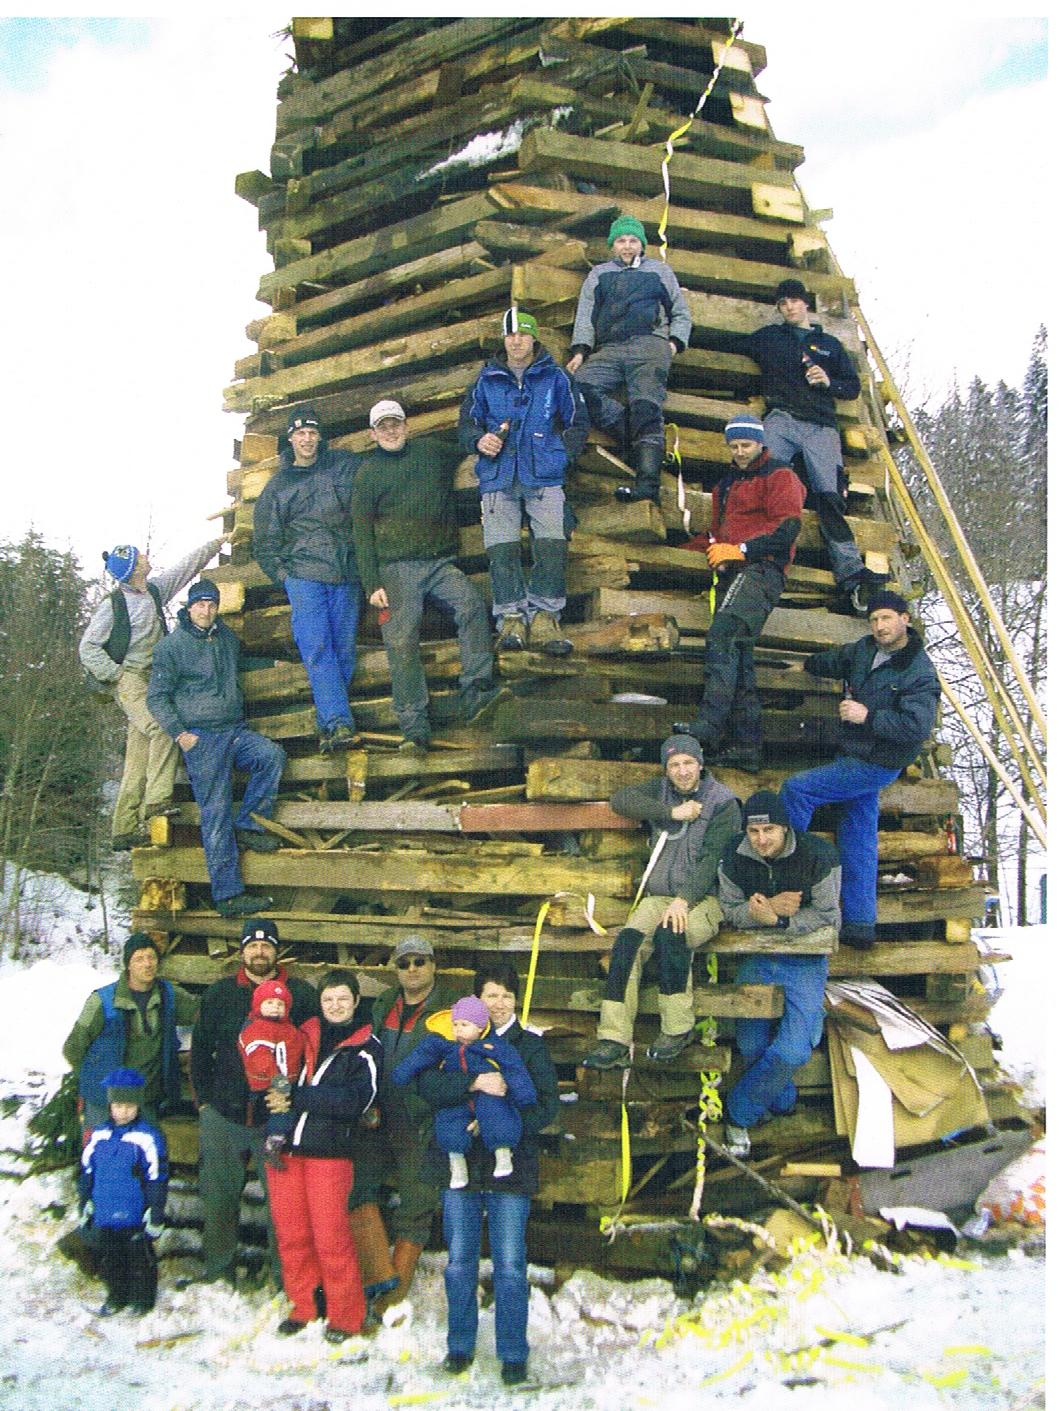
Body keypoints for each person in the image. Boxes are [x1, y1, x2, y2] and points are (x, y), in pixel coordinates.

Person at [414, 963, 560, 1387]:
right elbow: (426, 1087)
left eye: (506, 995)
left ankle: (513, 1353)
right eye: (490, 995)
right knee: (459, 1261)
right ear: (477, 999)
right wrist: (472, 1086)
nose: (498, 1004)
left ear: (516, 1000)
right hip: (460, 1167)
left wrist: (503, 1121)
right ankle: (459, 1346)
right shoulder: (453, 1037)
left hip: (510, 1169)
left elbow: (546, 1105)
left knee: (510, 1264)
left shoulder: (529, 1046)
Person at [712, 277, 886, 613]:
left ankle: (851, 575)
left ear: (806, 303)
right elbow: (726, 341)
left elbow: (851, 387)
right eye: (783, 303)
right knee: (756, 478)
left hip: (821, 425)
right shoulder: (770, 338)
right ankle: (742, 554)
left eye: (794, 300)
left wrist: (829, 381)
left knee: (830, 496)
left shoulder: (829, 345)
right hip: (782, 419)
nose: (789, 307)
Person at [779, 590, 940, 951]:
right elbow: (837, 660)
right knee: (858, 839)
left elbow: (916, 727)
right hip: (853, 753)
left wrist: (868, 716)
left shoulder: (918, 671)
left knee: (797, 790)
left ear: (905, 619)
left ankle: (786, 882)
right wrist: (806, 666)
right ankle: (860, 924)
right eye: (874, 619)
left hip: (877, 762)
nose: (880, 626)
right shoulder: (865, 650)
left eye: (887, 618)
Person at [350, 399, 506, 751]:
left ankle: (477, 691)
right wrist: (372, 583)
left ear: (406, 426)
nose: (391, 431)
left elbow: (468, 444)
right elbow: (361, 532)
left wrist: (487, 438)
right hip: (395, 569)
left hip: (438, 562)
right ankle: (414, 726)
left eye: (396, 424)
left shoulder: (432, 452)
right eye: (383, 427)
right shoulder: (368, 474)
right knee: (401, 641)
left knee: (471, 607)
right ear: (373, 434)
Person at [581, 734, 742, 1070]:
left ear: (700, 763)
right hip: (659, 897)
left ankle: (677, 1028)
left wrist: (684, 899)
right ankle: (614, 1038)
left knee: (672, 934)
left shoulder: (723, 802)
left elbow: (712, 859)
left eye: (688, 763)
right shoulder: (662, 791)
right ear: (666, 769)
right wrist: (672, 812)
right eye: (674, 765)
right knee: (627, 943)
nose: (682, 771)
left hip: (706, 899)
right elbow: (621, 800)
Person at [189, 918, 320, 1286]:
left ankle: (286, 1278)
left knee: (283, 1203)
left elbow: (313, 1049)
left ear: (277, 951)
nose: (259, 952)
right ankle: (219, 1272)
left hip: (274, 1118)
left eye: (266, 946)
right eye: (252, 946)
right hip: (224, 1114)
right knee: (219, 1196)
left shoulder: (299, 994)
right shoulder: (221, 993)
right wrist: (204, 1102)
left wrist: (297, 1101)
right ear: (242, 951)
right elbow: (200, 1049)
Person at [673, 414, 806, 772]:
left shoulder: (781, 476)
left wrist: (742, 550)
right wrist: (695, 548)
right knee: (740, 657)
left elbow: (787, 529)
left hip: (762, 570)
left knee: (723, 637)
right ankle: (746, 747)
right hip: (732, 572)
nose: (740, 452)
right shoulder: (727, 483)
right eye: (734, 446)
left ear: (760, 443)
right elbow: (719, 533)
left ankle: (708, 726)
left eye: (746, 445)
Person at [147, 577, 284, 918]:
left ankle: (250, 826)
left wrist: (273, 666)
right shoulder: (171, 647)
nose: (206, 611)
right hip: (202, 739)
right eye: (200, 604)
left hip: (234, 730)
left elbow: (238, 665)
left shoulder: (225, 638)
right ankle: (228, 895)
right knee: (216, 811)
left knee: (271, 756)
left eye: (211, 605)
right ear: (189, 607)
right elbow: (157, 697)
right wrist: (181, 734)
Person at [716, 790, 841, 1159]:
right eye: (753, 832)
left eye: (769, 830)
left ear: (785, 827)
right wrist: (764, 910)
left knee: (792, 1051)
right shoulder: (733, 854)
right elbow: (729, 907)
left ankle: (737, 1115)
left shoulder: (818, 855)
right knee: (751, 1045)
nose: (761, 840)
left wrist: (780, 921)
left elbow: (830, 917)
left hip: (805, 959)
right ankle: (782, 1101)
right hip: (757, 956)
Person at [458, 307, 588, 655]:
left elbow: (577, 423)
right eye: (510, 335)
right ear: (504, 340)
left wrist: (561, 456)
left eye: (523, 334)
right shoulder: (485, 380)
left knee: (551, 547)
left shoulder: (557, 378)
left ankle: (545, 617)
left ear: (534, 338)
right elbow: (466, 426)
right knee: (502, 551)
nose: (516, 341)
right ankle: (511, 619)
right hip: (498, 476)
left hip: (544, 475)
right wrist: (479, 441)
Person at [79, 535, 223, 850]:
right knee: (164, 727)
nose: (145, 557)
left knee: (138, 754)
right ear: (133, 570)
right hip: (130, 679)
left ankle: (123, 828)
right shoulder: (113, 605)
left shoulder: (153, 591)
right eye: (139, 557)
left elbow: (186, 567)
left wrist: (218, 542)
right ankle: (157, 802)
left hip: (154, 678)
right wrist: (116, 675)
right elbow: (88, 648)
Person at [263, 969, 382, 1344]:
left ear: (356, 1001)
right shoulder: (303, 1034)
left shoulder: (365, 1047)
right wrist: (273, 1110)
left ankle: (346, 1315)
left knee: (331, 1238)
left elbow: (354, 1100)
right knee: (292, 1235)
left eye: (343, 999)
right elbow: (275, 1074)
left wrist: (298, 1096)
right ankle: (304, 1305)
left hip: (329, 1154)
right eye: (328, 999)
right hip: (287, 1150)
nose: (335, 1006)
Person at [348, 934, 457, 1312]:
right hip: (377, 1117)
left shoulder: (448, 1011)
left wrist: (433, 1106)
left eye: (419, 962)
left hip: (420, 1122)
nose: (412, 969)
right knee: (357, 1189)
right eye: (404, 963)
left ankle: (393, 1296)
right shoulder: (383, 1004)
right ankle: (378, 1276)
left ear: (433, 965)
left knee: (416, 1204)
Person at [252, 404, 363, 755]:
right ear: (290, 439)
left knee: (344, 652)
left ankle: (329, 726)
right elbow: (265, 542)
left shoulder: (342, 465)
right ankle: (339, 723)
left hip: (345, 572)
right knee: (316, 648)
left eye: (312, 433)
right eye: (300, 433)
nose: (307, 439)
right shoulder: (278, 487)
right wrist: (286, 578)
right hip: (304, 577)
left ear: (320, 437)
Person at [566, 214, 692, 506]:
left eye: (633, 240)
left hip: (650, 344)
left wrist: (674, 343)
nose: (627, 246)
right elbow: (585, 315)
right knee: (578, 386)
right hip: (610, 348)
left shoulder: (659, 271)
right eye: (621, 241)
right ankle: (632, 435)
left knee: (645, 404)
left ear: (642, 245)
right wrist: (580, 351)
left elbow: (680, 311)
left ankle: (647, 485)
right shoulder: (599, 274)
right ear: (613, 245)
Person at [391, 995, 537, 1189]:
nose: (458, 1029)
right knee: (448, 1120)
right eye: (455, 1024)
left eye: (465, 1025)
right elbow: (419, 1056)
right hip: (459, 1096)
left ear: (480, 1027)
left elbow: (513, 1067)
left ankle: (502, 1153)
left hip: (487, 1095)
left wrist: (525, 1096)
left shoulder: (492, 1045)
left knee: (498, 1113)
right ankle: (457, 1164)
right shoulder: (444, 1044)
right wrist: (401, 1074)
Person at [63, 932, 198, 1130]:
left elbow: (200, 1012)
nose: (147, 964)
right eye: (139, 959)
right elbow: (73, 1048)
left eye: (151, 957)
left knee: (145, 1147)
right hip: (106, 1101)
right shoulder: (102, 1001)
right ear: (128, 965)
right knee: (103, 1148)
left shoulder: (168, 995)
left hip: (146, 1099)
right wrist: (94, 1080)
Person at [78, 1068, 168, 1316]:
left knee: (138, 1257)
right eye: (118, 1105)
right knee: (111, 1257)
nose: (124, 1111)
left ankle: (142, 1299)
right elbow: (87, 1170)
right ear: (110, 1106)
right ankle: (116, 1295)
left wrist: (155, 1211)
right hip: (106, 1209)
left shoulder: (148, 1137)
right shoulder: (98, 1135)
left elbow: (157, 1177)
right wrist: (85, 1202)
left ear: (138, 1105)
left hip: (135, 1211)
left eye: (130, 1106)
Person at [238, 979, 307, 1168]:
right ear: (258, 1005)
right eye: (269, 1003)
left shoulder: (289, 1029)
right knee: (281, 1112)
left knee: (291, 1113)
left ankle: (278, 1141)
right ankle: (273, 1143)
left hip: (289, 1083)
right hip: (268, 1083)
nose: (275, 1007)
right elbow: (259, 1055)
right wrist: (275, 1076)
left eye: (280, 1004)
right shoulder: (257, 1028)